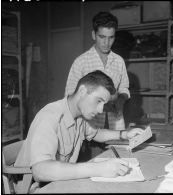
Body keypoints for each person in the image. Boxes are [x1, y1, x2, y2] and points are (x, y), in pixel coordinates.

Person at [15, 70, 143, 184]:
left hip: (58, 182)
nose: (100, 110)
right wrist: (99, 169)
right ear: (82, 91)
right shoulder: (50, 116)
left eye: (104, 104)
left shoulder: (80, 116)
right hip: (33, 187)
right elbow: (40, 171)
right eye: (98, 101)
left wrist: (125, 134)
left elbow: (96, 134)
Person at [65, 11, 130, 130]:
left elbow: (124, 88)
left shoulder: (119, 61)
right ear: (94, 35)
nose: (106, 43)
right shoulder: (81, 62)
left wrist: (121, 100)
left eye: (111, 38)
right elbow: (70, 95)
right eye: (102, 37)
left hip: (116, 123)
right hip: (89, 126)